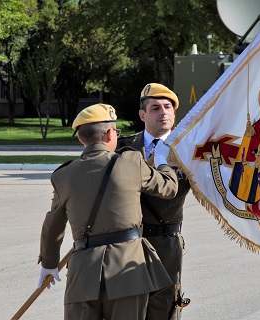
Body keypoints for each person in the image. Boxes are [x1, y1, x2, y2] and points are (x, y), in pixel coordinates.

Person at [37, 103, 179, 320]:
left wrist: (49, 263)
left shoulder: (63, 176)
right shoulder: (131, 162)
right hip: (128, 272)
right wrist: (162, 161)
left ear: (80, 138)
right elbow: (169, 188)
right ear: (110, 134)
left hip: (83, 273)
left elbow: (52, 226)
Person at [117, 83, 191, 320]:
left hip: (165, 241)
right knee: (127, 307)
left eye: (168, 107)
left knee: (164, 307)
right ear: (142, 114)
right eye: (156, 108)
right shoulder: (122, 148)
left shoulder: (187, 150)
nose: (164, 113)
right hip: (128, 242)